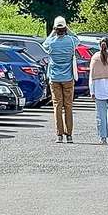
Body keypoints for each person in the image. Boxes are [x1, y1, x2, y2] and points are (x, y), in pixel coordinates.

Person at [43, 15, 78, 143]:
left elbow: (44, 44)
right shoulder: (71, 41)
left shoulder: (52, 42)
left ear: (55, 29)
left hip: (54, 77)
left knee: (57, 105)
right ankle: (69, 135)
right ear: (65, 28)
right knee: (68, 106)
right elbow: (77, 39)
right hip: (68, 77)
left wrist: (53, 32)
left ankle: (59, 134)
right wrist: (68, 29)